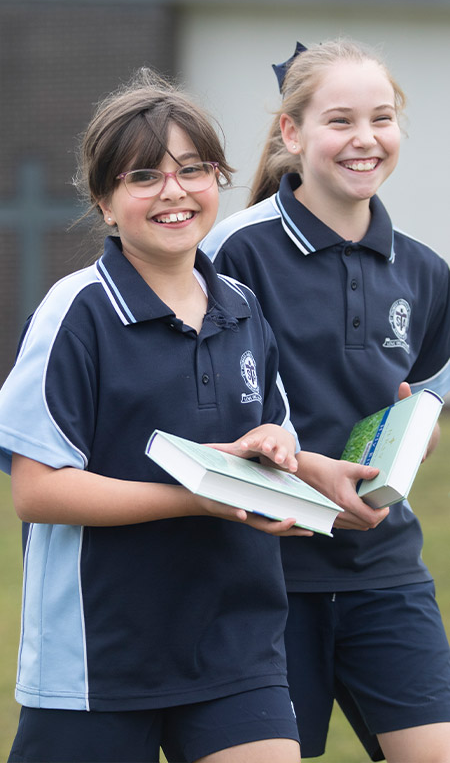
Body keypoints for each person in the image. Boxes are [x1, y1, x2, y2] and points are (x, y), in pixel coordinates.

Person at [0, 68, 381, 763]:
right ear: (106, 203)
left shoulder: (241, 303)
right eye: (143, 177)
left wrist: (299, 464)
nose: (174, 192)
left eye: (193, 170)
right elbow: (37, 489)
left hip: (237, 647)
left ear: (217, 179)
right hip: (98, 663)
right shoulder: (75, 312)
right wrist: (197, 498)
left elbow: (270, 438)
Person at [201, 38, 450, 763]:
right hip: (261, 574)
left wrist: (414, 431)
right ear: (292, 133)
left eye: (382, 118)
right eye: (340, 120)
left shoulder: (427, 272)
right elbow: (200, 404)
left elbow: (426, 399)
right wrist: (303, 470)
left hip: (384, 569)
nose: (365, 139)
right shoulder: (232, 253)